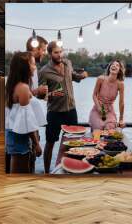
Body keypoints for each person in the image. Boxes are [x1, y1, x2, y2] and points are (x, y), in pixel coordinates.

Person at [39, 41, 88, 174]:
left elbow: (72, 76)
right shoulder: (44, 71)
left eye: (61, 51)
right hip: (54, 113)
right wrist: (51, 94)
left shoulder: (68, 63)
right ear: (50, 54)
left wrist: (81, 77)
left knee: (75, 143)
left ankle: (72, 170)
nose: (60, 55)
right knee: (50, 144)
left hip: (71, 111)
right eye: (56, 52)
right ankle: (47, 172)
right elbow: (39, 95)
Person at [5, 52, 47, 173]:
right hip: (19, 136)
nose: (35, 67)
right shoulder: (23, 88)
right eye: (33, 64)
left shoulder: (14, 85)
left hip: (14, 133)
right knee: (21, 172)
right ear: (25, 67)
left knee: (18, 171)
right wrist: (37, 144)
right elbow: (26, 122)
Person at [89, 60, 125, 131]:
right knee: (98, 129)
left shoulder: (120, 84)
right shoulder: (100, 79)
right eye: (112, 64)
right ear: (109, 67)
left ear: (119, 70)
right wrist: (99, 108)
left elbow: (121, 103)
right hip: (97, 110)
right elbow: (94, 95)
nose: (114, 66)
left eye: (117, 65)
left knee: (110, 129)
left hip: (109, 111)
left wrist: (121, 119)